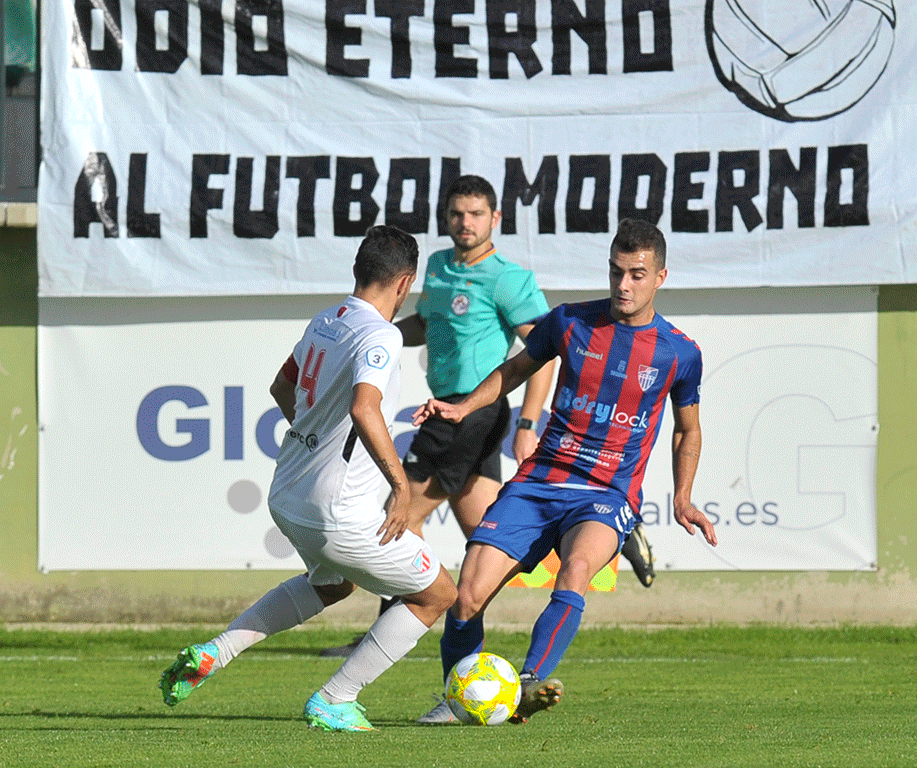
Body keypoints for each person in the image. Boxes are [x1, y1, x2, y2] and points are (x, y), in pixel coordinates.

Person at [414, 218, 718, 724]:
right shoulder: (570, 322)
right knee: (466, 596)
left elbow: (687, 430)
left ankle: (529, 685)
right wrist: (463, 407)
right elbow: (514, 372)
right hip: (539, 481)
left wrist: (682, 497)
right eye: (617, 272)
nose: (625, 285)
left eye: (638, 274)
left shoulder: (679, 352)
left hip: (606, 492)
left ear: (661, 276)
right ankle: (457, 698)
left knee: (575, 571)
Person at [158, 225, 457, 732]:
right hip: (335, 509)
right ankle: (336, 697)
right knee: (438, 595)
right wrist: (400, 486)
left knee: (334, 584)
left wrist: (314, 437)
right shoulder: (381, 333)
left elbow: (282, 386)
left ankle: (217, 651)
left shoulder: (328, 319)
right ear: (404, 283)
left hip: (289, 491)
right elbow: (366, 409)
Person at [322, 174, 559, 657]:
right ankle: (573, 543)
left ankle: (382, 636)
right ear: (445, 218)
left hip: (468, 414)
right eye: (457, 214)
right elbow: (424, 324)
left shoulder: (507, 278)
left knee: (399, 511)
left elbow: (543, 352)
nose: (465, 222)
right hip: (454, 413)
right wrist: (371, 326)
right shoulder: (436, 266)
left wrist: (529, 424)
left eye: (476, 214)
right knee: (489, 540)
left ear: (495, 219)